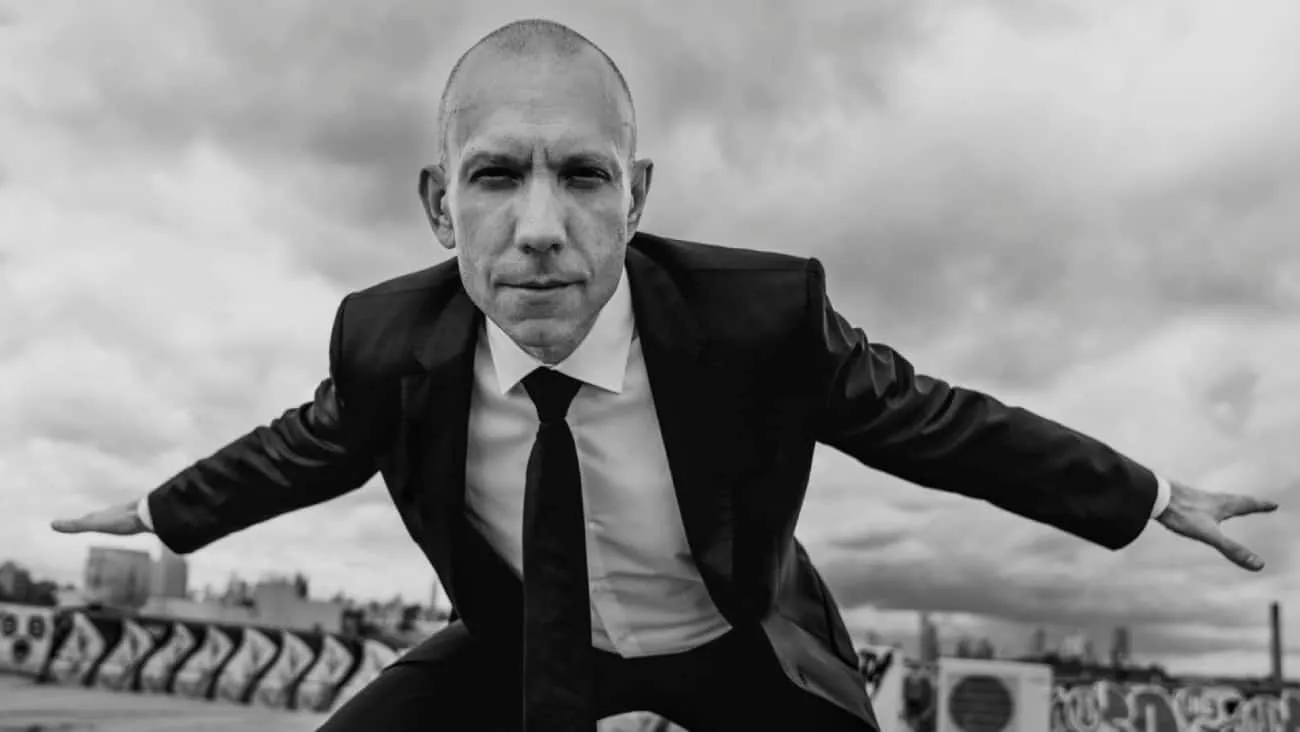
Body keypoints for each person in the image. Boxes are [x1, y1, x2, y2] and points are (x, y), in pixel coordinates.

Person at [51, 18, 1277, 732]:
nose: (540, 229)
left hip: (730, 638)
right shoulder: (386, 342)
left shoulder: (759, 320)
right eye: (496, 176)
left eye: (583, 176)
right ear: (437, 204)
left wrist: (1148, 493)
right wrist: (159, 509)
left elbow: (942, 425)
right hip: (524, 639)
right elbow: (301, 446)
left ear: (635, 198)